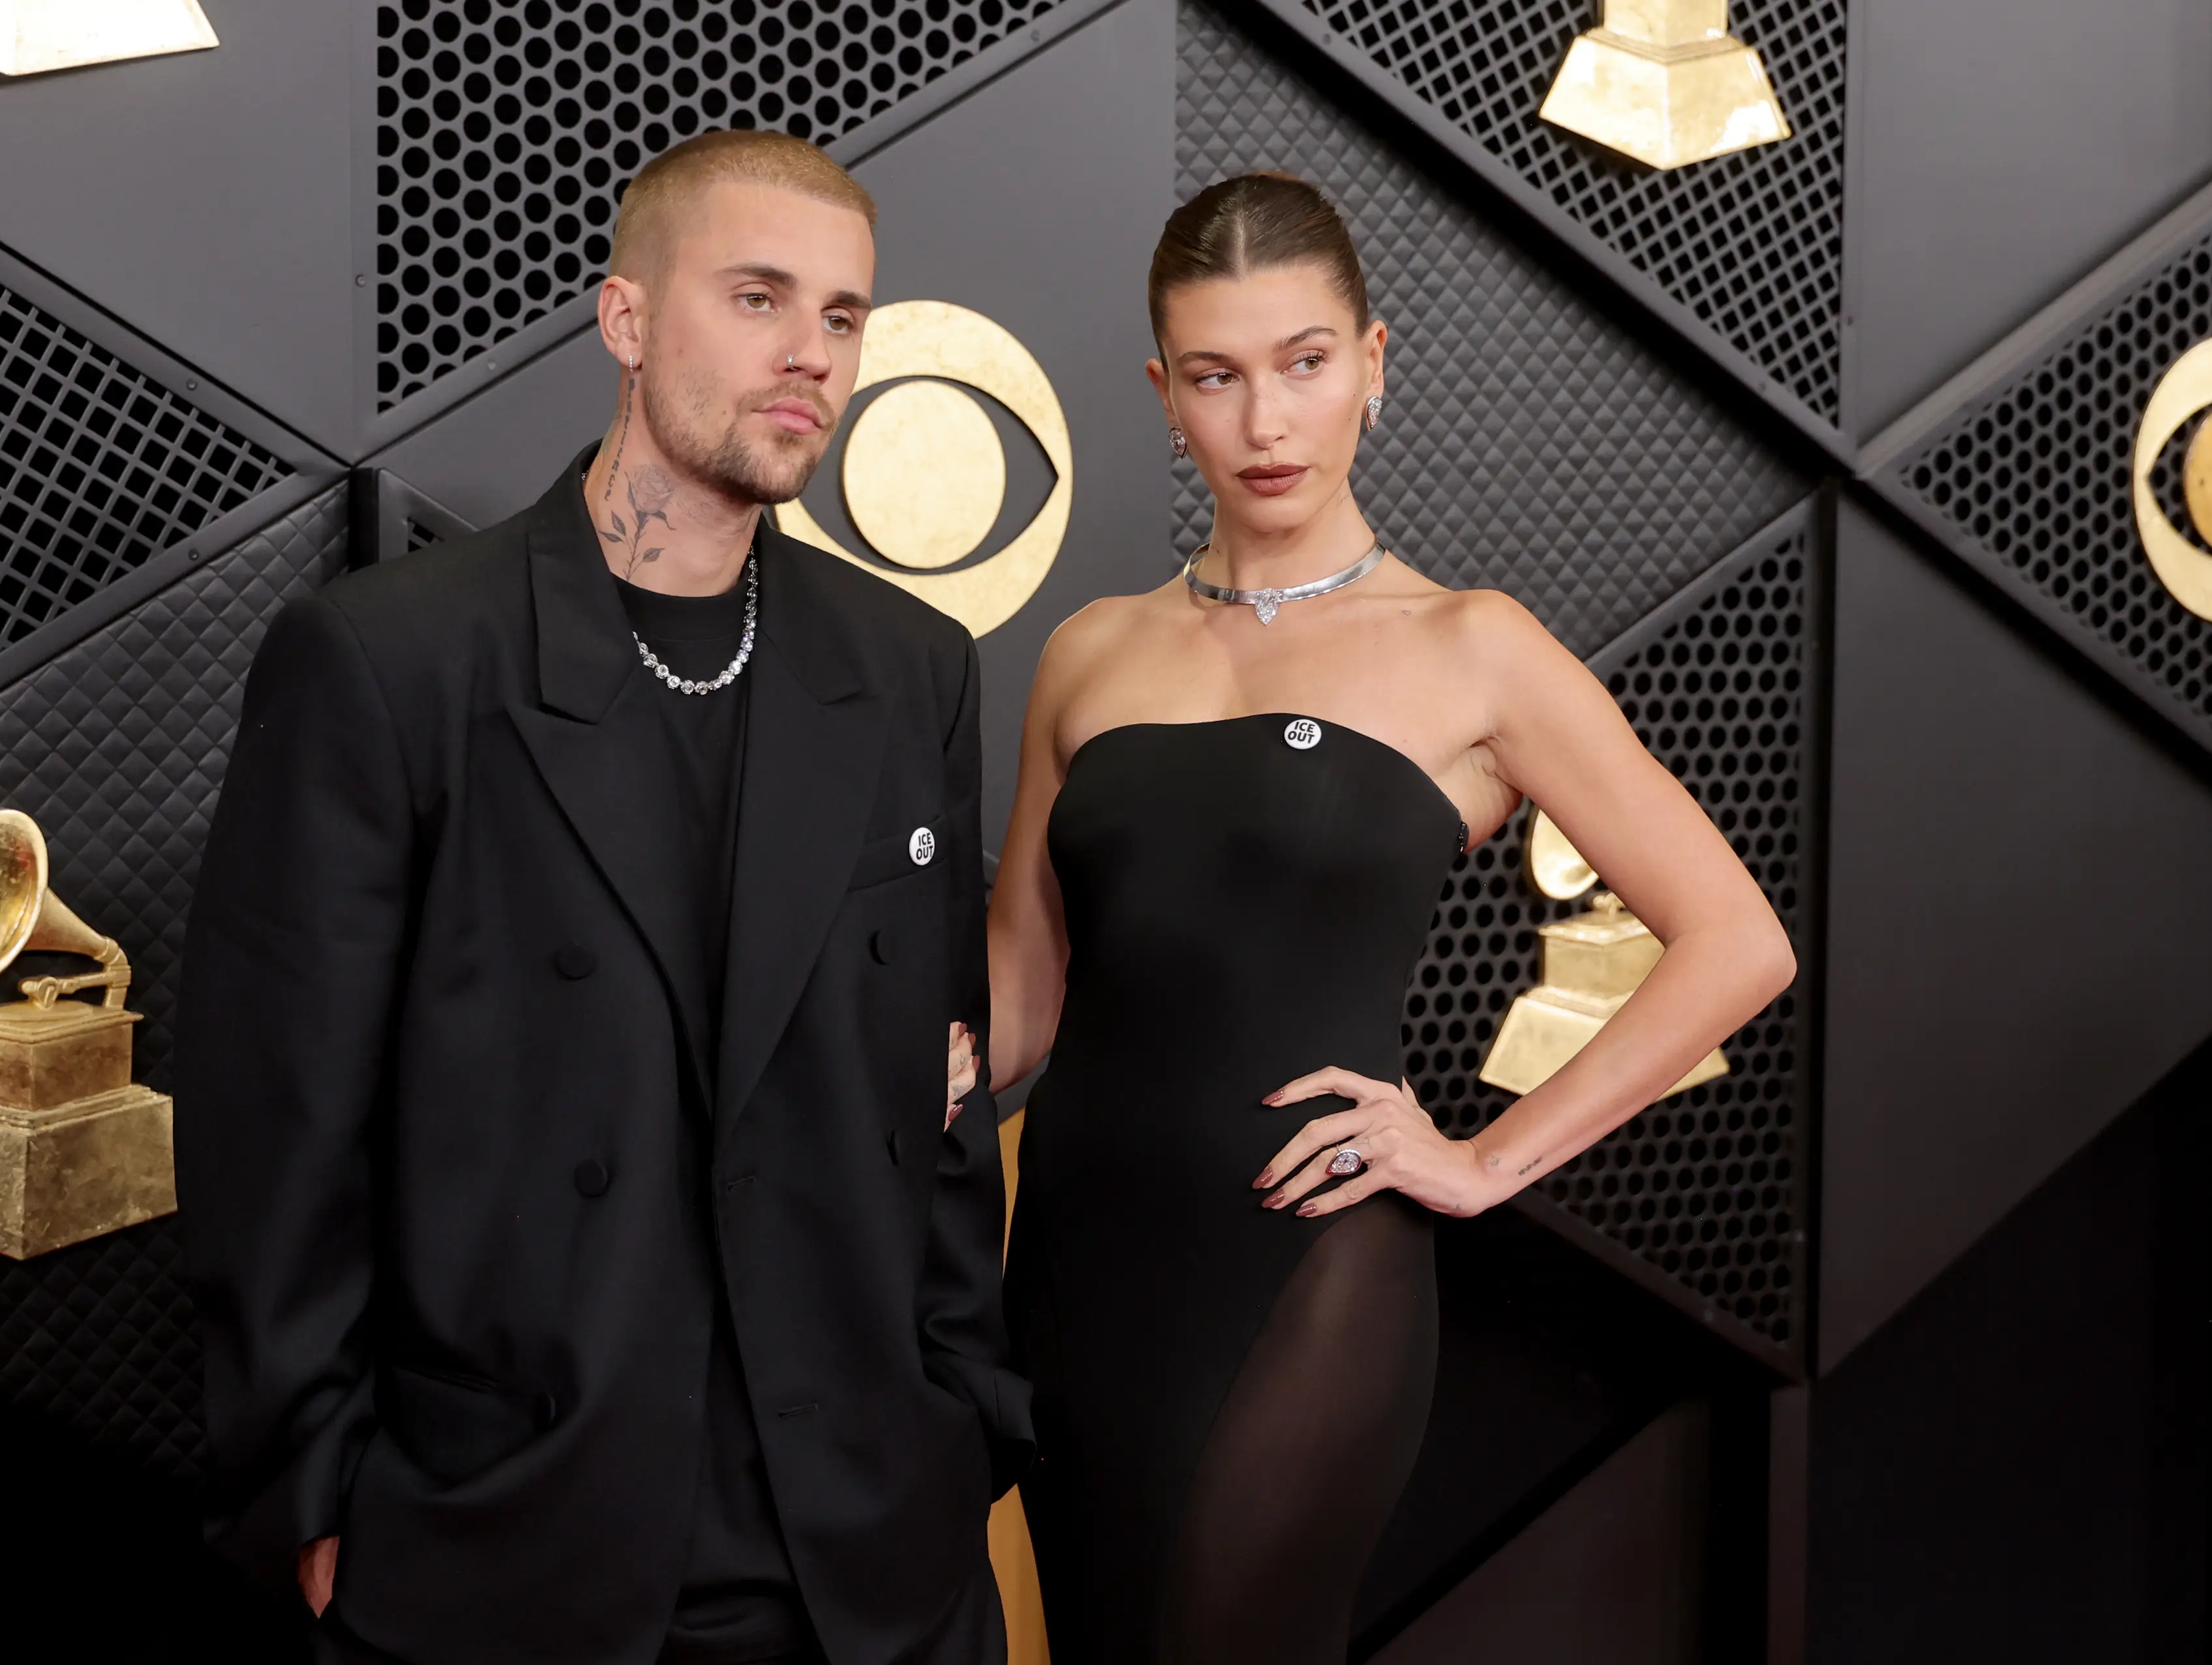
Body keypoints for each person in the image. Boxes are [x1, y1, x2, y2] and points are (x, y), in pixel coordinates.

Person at [179, 129, 1025, 1665]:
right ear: (624, 320)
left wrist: (964, 1408)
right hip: (510, 1550)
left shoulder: (910, 668)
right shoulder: (394, 661)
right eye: (759, 297)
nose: (810, 356)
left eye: (842, 317)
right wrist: (314, 1484)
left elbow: (940, 1088)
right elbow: (275, 1124)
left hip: (869, 1557)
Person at [982, 172, 1797, 1665]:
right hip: (1078, 1266)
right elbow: (1018, 1004)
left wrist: (1486, 1160)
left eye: (1304, 363)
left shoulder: (1471, 646)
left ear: (1375, 360)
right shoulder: (1089, 653)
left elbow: (1740, 939)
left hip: (1311, 1264)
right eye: (1218, 377)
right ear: (1166, 394)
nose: (1267, 422)